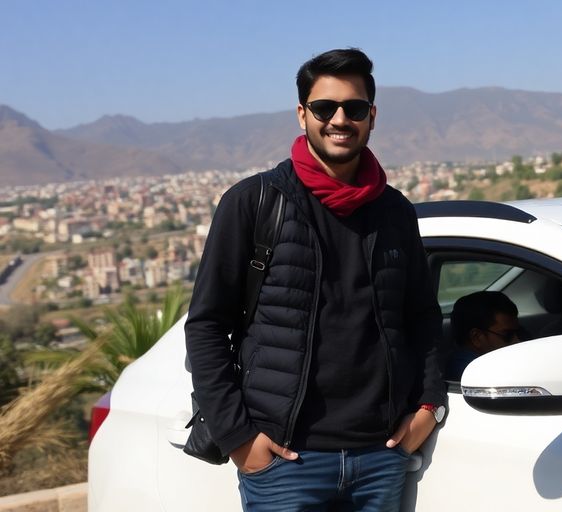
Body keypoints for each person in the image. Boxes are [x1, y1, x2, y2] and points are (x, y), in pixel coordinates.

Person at [185, 48, 447, 511]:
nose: (340, 119)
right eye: (325, 108)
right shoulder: (254, 202)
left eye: (355, 108)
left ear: (372, 116)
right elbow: (206, 324)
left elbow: (421, 317)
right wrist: (239, 438)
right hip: (286, 460)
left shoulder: (395, 211)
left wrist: (428, 405)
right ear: (302, 114)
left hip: (380, 458)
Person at [445, 291, 520, 381]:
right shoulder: (474, 373)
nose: (517, 341)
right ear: (476, 337)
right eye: (508, 335)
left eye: (520, 333)